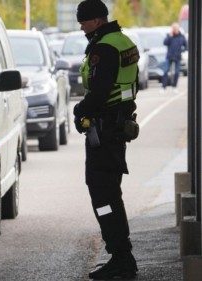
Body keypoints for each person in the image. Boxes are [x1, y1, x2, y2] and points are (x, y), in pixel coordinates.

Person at [73, 0, 139, 279]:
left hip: (105, 130)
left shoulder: (104, 48)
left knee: (102, 193)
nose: (81, 26)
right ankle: (121, 256)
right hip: (117, 126)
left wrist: (79, 111)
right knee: (110, 191)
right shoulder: (122, 40)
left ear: (97, 21)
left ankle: (121, 258)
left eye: (84, 21)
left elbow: (99, 93)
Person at [161, 22, 187, 90]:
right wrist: (170, 36)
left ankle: (174, 86)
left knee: (177, 72)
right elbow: (165, 43)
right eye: (174, 28)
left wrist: (182, 50)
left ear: (178, 29)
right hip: (169, 56)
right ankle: (164, 87)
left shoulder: (181, 36)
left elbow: (186, 45)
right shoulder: (169, 35)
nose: (175, 29)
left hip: (177, 56)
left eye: (176, 28)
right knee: (166, 71)